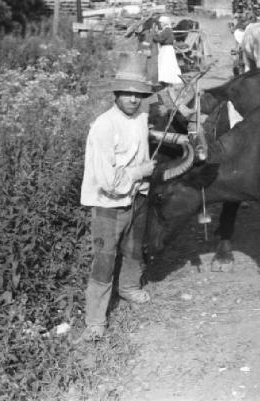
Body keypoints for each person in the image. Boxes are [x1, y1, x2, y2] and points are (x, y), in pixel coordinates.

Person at [75, 52, 156, 342]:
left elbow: (166, 109)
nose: (134, 99)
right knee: (104, 259)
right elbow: (108, 181)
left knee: (134, 249)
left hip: (137, 199)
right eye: (128, 94)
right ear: (116, 93)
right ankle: (96, 320)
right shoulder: (104, 126)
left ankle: (129, 288)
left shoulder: (142, 118)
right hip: (109, 205)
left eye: (139, 94)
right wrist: (140, 171)